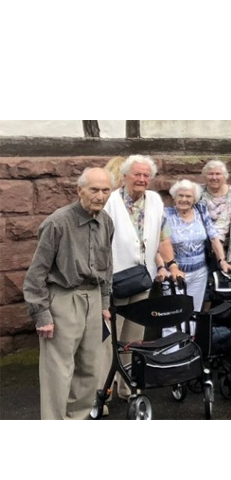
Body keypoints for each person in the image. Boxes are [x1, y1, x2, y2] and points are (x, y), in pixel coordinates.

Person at [23, 167, 115, 419]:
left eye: (105, 190)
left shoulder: (106, 221)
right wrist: (42, 315)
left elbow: (107, 265)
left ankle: (77, 420)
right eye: (94, 189)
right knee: (59, 370)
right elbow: (35, 274)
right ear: (79, 190)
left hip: (94, 299)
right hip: (63, 299)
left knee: (89, 368)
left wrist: (105, 301)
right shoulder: (57, 223)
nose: (100, 195)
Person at [104, 155, 185, 400]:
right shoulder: (109, 202)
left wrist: (169, 264)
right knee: (108, 338)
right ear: (125, 176)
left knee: (133, 337)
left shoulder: (155, 201)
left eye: (146, 175)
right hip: (114, 279)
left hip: (142, 279)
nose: (141, 179)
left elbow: (162, 236)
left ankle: (126, 385)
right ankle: (102, 391)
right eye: (136, 174)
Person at [162, 180, 230, 321]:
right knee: (173, 314)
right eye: (180, 195)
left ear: (195, 199)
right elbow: (162, 243)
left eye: (188, 196)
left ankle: (190, 342)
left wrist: (222, 260)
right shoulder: (166, 215)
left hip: (199, 272)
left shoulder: (201, 210)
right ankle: (172, 343)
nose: (184, 199)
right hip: (175, 273)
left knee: (193, 312)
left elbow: (213, 237)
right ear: (174, 197)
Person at [199, 160, 231, 254]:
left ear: (225, 176)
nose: (214, 177)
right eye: (210, 174)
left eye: (218, 174)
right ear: (205, 176)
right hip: (204, 246)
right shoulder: (198, 192)